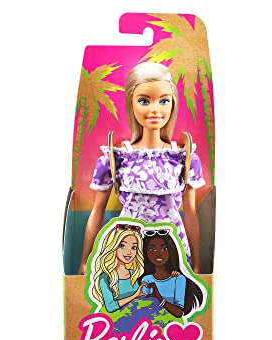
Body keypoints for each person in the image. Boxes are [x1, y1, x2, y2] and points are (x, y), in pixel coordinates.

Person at [78, 62, 205, 275]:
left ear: (173, 103)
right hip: (129, 250)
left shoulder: (183, 157)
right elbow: (97, 211)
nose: (155, 109)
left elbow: (191, 214)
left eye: (164, 101)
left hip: (172, 248)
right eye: (144, 101)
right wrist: (85, 260)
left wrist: (198, 265)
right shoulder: (117, 158)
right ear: (132, 103)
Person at [141, 230, 205, 318]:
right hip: (149, 323)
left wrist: (159, 297)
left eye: (164, 249)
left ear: (171, 250)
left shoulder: (178, 279)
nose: (158, 254)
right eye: (152, 249)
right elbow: (143, 309)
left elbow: (178, 313)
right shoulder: (146, 279)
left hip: (174, 324)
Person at [90, 224, 146, 313]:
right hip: (115, 318)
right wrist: (135, 295)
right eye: (122, 246)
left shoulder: (133, 273)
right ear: (113, 246)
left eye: (134, 247)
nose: (129, 252)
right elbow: (110, 307)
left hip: (134, 314)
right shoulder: (105, 277)